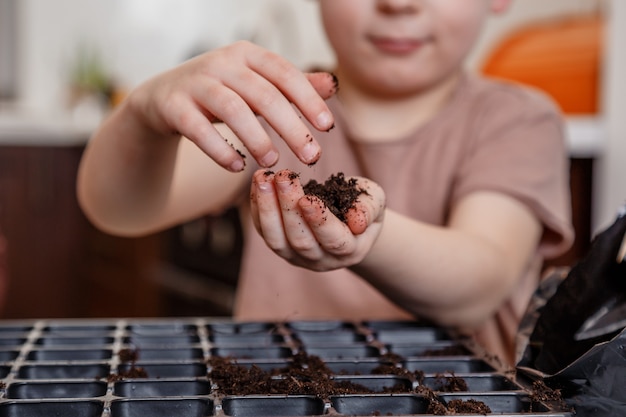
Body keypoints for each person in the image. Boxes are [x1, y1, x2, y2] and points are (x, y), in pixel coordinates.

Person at [77, 0, 574, 365]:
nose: (398, 4)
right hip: (276, 391)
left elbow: (479, 283)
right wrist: (144, 112)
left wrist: (368, 236)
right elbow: (118, 208)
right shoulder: (272, 105)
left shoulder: (519, 119)